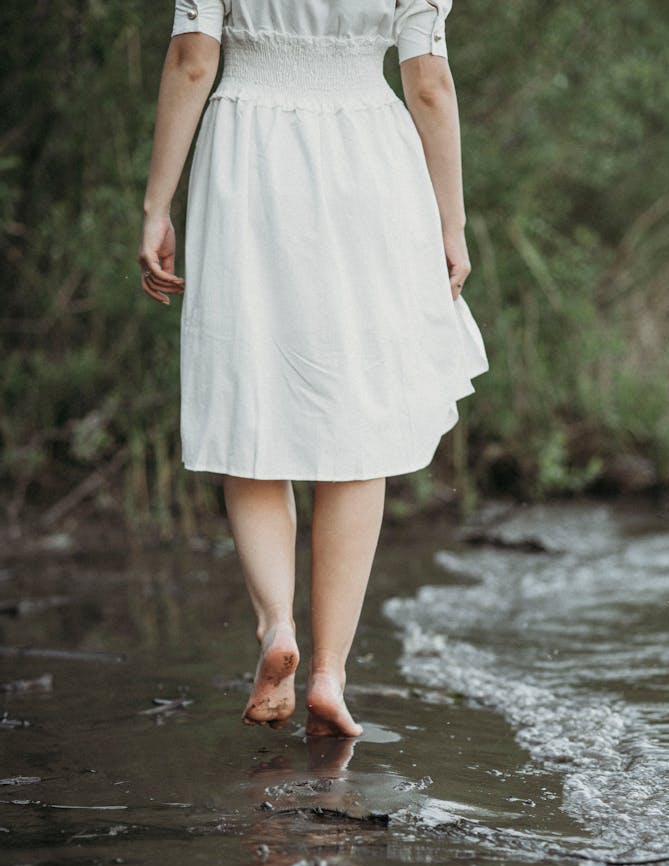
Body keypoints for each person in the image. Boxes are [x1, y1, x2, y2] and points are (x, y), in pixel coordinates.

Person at [138, 1, 488, 738]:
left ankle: (276, 629)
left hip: (246, 154)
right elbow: (429, 82)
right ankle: (329, 672)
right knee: (356, 420)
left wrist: (156, 207)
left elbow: (192, 60)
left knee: (251, 396)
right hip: (370, 159)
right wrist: (451, 222)